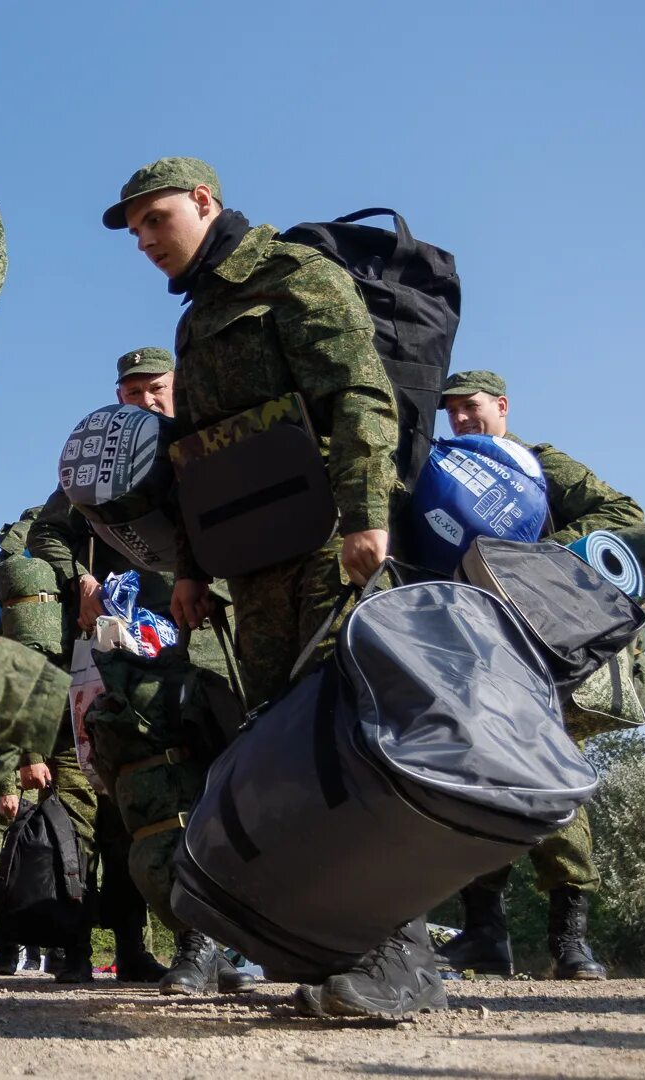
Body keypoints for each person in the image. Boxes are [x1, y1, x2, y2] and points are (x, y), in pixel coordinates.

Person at [104, 158, 437, 1020]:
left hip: (330, 541)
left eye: (154, 219)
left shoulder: (292, 274)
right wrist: (187, 568)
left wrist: (369, 517)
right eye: (134, 228)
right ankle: (330, 946)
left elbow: (360, 394)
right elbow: (205, 455)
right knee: (280, 749)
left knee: (351, 738)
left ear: (204, 203)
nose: (143, 240)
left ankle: (403, 958)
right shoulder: (196, 320)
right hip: (252, 566)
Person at [22, 346, 254, 997]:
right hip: (141, 651)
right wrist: (82, 577)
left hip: (221, 644)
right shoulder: (109, 462)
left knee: (233, 787)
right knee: (155, 798)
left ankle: (242, 934)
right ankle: (193, 945)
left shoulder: (214, 443)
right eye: (132, 393)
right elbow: (47, 533)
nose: (146, 401)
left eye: (156, 389)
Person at [433, 370, 645, 981]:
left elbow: (624, 514)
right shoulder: (445, 469)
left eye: (472, 408)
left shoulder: (537, 463)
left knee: (554, 781)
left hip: (547, 643)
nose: (463, 421)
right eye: (452, 412)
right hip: (477, 644)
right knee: (475, 781)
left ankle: (570, 940)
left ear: (501, 405)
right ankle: (483, 937)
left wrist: (534, 554)